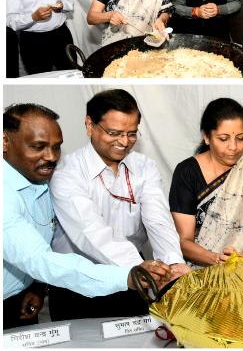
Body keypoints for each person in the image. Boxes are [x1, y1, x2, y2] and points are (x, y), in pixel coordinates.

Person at [3, 104, 174, 330]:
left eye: (56, 147)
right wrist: (127, 276)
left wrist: (36, 286)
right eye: (38, 147)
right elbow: (39, 258)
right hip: (81, 283)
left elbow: (42, 240)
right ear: (4, 141)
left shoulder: (39, 179)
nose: (51, 157)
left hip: (22, 297)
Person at [48, 89, 185, 320]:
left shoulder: (145, 167)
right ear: (89, 125)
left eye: (131, 134)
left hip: (133, 278)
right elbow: (90, 231)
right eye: (114, 133)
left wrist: (173, 264)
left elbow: (158, 221)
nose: (124, 142)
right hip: (78, 280)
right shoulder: (66, 173)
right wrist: (141, 269)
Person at [170, 98, 243, 268]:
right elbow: (183, 241)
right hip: (200, 270)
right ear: (207, 137)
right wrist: (216, 259)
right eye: (223, 139)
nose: (233, 147)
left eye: (240, 138)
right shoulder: (187, 172)